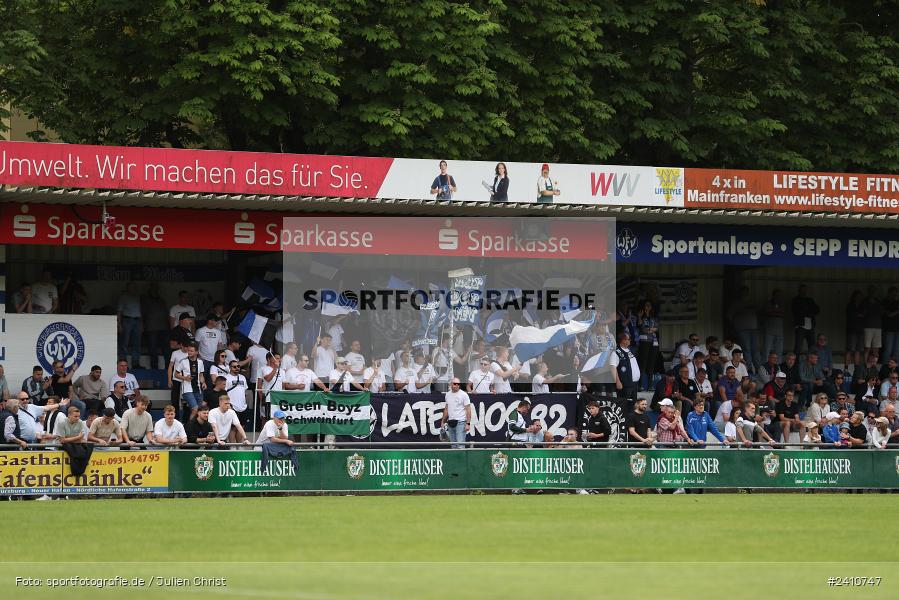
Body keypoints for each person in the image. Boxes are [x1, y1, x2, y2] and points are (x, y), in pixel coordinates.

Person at [141, 282, 170, 369]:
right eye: (153, 289)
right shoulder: (145, 299)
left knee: (166, 349)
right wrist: (143, 326)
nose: (155, 291)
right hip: (151, 327)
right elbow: (143, 313)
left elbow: (166, 313)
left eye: (156, 289)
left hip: (163, 327)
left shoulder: (161, 300)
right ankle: (154, 367)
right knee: (153, 349)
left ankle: (168, 367)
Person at [175, 342, 206, 421]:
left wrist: (203, 383)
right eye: (188, 350)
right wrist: (185, 378)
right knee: (195, 409)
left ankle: (194, 428)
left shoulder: (200, 362)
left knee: (199, 411)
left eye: (191, 351)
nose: (189, 352)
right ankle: (189, 429)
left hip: (198, 389)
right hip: (187, 389)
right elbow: (176, 374)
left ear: (196, 352)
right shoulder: (183, 361)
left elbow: (201, 375)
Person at [117, 282, 143, 368]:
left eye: (135, 287)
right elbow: (119, 311)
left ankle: (135, 363)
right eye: (132, 287)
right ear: (128, 288)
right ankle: (123, 364)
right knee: (124, 343)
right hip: (127, 320)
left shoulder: (138, 297)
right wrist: (119, 324)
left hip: (137, 321)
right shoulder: (123, 297)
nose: (134, 289)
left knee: (137, 344)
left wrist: (142, 323)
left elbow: (141, 310)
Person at [441, 378, 472, 449]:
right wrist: (443, 421)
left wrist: (468, 423)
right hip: (450, 422)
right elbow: (446, 409)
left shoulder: (464, 394)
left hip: (461, 422)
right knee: (453, 445)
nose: (457, 385)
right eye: (455, 384)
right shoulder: (448, 394)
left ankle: (462, 460)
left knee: (460, 445)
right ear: (451, 384)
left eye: (458, 384)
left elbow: (468, 409)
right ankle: (455, 460)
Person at [636, 300, 660, 391]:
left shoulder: (654, 317)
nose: (648, 307)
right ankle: (640, 385)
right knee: (643, 363)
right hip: (644, 341)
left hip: (654, 342)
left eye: (649, 306)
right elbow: (641, 328)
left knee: (651, 364)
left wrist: (650, 329)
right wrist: (639, 316)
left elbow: (656, 328)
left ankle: (650, 385)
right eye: (646, 305)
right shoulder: (640, 316)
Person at [610, 333, 640, 402]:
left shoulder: (630, 350)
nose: (630, 340)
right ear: (623, 340)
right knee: (623, 404)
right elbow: (613, 368)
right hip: (625, 384)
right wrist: (617, 382)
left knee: (633, 404)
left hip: (634, 383)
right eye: (628, 339)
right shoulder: (616, 352)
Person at [791, 284, 819, 354]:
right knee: (798, 347)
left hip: (810, 327)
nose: (804, 291)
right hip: (800, 326)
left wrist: (807, 311)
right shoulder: (795, 300)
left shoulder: (810, 300)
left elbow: (817, 310)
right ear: (799, 291)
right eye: (802, 290)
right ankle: (796, 364)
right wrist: (808, 311)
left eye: (805, 290)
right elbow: (797, 311)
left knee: (812, 347)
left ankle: (812, 364)